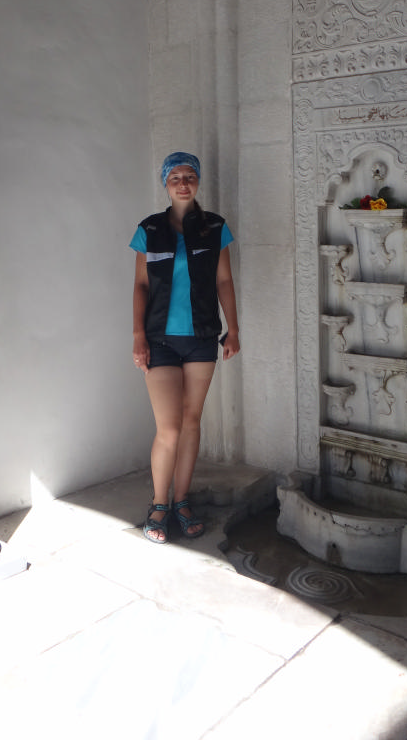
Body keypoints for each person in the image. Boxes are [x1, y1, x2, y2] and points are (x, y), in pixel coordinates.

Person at [130, 151, 240, 544]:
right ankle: (159, 504)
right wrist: (138, 336)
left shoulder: (215, 228)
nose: (182, 183)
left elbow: (223, 281)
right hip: (159, 339)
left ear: (197, 182)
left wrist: (233, 329)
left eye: (189, 176)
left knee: (192, 422)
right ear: (165, 183)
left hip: (201, 338)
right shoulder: (149, 229)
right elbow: (141, 285)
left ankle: (181, 501)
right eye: (175, 177)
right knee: (170, 428)